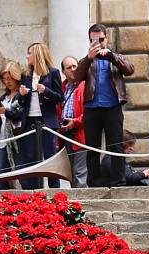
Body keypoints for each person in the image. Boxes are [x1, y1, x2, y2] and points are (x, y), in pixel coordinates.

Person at [75, 23, 135, 187]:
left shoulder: (115, 57)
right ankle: (94, 183)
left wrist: (112, 57)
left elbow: (130, 70)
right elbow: (76, 76)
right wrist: (88, 58)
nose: (99, 43)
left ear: (106, 39)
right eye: (94, 40)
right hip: (91, 109)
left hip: (112, 107)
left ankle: (118, 181)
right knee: (92, 148)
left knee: (115, 145)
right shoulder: (87, 60)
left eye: (101, 39)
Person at [16, 42, 63, 189]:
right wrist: (21, 95)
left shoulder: (53, 72)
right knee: (30, 157)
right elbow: (21, 102)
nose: (27, 56)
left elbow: (60, 97)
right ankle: (34, 191)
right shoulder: (25, 75)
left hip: (47, 121)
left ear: (37, 54)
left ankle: (55, 191)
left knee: (50, 156)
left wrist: (46, 91)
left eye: (29, 53)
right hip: (29, 120)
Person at [59, 55, 87, 188]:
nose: (73, 69)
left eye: (75, 66)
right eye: (69, 67)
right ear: (63, 71)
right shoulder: (61, 88)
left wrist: (75, 122)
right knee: (70, 173)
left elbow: (89, 112)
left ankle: (83, 205)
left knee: (80, 172)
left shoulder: (85, 85)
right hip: (65, 135)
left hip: (81, 133)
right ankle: (75, 205)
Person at [0, 60, 23, 190]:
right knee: (2, 175)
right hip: (3, 139)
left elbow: (19, 114)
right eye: (4, 79)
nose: (8, 82)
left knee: (20, 172)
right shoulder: (3, 97)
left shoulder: (21, 95)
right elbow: (0, 119)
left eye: (10, 78)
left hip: (17, 138)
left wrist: (5, 111)